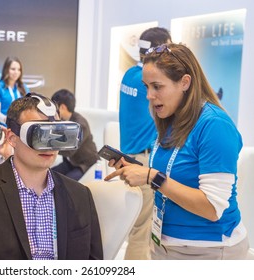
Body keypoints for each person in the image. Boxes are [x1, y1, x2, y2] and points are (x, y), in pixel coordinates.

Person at [106, 43, 249, 260]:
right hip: (164, 245)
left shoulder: (215, 126)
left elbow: (212, 208)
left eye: (157, 86)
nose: (149, 96)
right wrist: (139, 171)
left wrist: (151, 177)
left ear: (184, 82)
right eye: (146, 87)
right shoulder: (170, 119)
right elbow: (174, 175)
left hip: (208, 251)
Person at [0, 93, 103, 260]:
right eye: (38, 134)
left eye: (56, 134)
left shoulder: (80, 196)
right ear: (12, 138)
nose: (49, 145)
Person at [118, 27, 172, 260]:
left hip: (129, 157)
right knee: (143, 232)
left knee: (137, 229)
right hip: (143, 161)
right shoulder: (148, 83)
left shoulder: (129, 74)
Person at [51, 89, 99, 181]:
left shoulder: (80, 125)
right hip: (71, 162)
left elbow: (69, 150)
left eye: (54, 108)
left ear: (62, 107)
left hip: (86, 165)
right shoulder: (63, 120)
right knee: (48, 175)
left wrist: (49, 147)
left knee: (65, 182)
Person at [0, 56, 29, 124]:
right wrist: (9, 121)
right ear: (6, 69)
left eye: (19, 69)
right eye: (13, 69)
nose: (16, 72)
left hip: (21, 126)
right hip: (3, 127)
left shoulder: (24, 87)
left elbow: (28, 109)